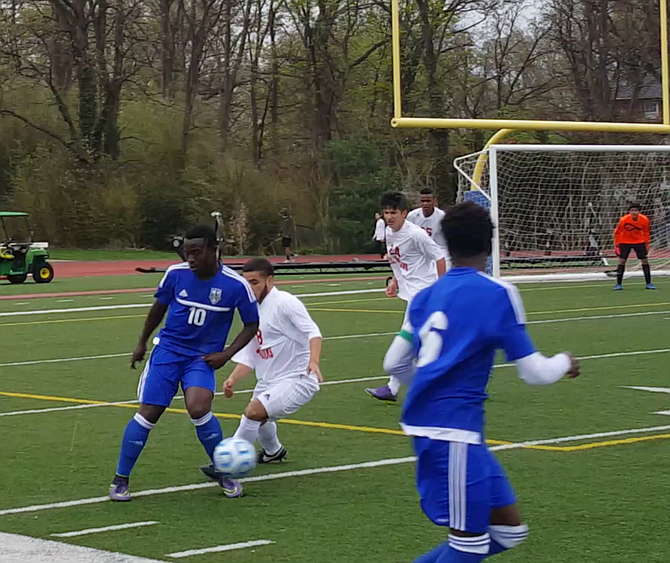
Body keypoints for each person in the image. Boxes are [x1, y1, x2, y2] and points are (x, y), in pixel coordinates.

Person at [383, 201, 580, 562]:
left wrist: (429, 387)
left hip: (443, 428)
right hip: (452, 432)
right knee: (468, 545)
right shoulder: (499, 293)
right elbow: (533, 372)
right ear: (489, 245)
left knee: (508, 531)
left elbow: (393, 362)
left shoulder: (425, 297)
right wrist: (564, 361)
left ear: (446, 245)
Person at [109, 225, 259, 502]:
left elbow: (252, 323)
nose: (190, 259)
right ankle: (120, 479)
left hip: (201, 358)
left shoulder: (235, 285)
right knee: (149, 412)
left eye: (196, 252)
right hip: (168, 352)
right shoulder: (176, 274)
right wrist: (142, 342)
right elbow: (158, 308)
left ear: (214, 250)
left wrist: (226, 353)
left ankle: (224, 472)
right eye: (186, 253)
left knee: (199, 407)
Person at [200, 258, 322, 479]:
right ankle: (273, 452)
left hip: (297, 378)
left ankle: (228, 466)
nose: (250, 288)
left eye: (255, 282)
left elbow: (313, 332)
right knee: (259, 418)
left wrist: (313, 361)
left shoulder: (284, 302)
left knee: (254, 412)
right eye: (246, 283)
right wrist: (232, 379)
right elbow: (251, 354)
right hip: (269, 380)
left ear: (270, 280)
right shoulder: (253, 309)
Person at [365, 191, 446, 403]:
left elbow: (439, 257)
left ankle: (431, 388)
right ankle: (394, 388)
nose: (389, 217)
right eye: (386, 212)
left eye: (393, 212)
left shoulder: (415, 234)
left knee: (407, 342)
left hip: (425, 294)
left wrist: (443, 288)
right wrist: (395, 281)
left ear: (404, 213)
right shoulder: (390, 231)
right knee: (422, 342)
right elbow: (396, 260)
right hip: (412, 294)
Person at [613, 203, 655, 290]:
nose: (634, 212)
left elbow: (646, 232)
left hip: (639, 242)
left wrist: (647, 243)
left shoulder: (644, 220)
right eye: (632, 211)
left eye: (636, 211)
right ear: (629, 212)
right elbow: (617, 232)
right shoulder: (624, 220)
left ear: (639, 212)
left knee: (644, 261)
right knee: (622, 261)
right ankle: (618, 284)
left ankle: (649, 283)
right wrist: (617, 245)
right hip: (624, 242)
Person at [407, 188, 450, 265]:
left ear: (434, 201)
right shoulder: (412, 216)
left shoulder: (443, 217)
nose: (425, 204)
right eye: (423, 201)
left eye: (428, 201)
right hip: (420, 252)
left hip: (440, 250)